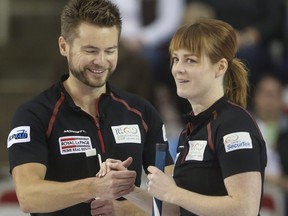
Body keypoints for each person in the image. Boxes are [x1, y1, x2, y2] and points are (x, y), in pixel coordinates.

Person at [6, 0, 173, 215]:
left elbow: (172, 202)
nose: (101, 61)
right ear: (63, 46)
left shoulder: (141, 111)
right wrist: (94, 187)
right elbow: (29, 196)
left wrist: (124, 209)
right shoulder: (34, 114)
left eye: (110, 50)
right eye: (91, 50)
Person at [99, 18, 268, 216]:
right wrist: (128, 189)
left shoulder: (234, 124)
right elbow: (175, 211)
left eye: (190, 60)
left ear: (220, 67)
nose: (178, 69)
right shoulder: (191, 130)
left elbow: (244, 209)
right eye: (176, 59)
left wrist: (174, 193)